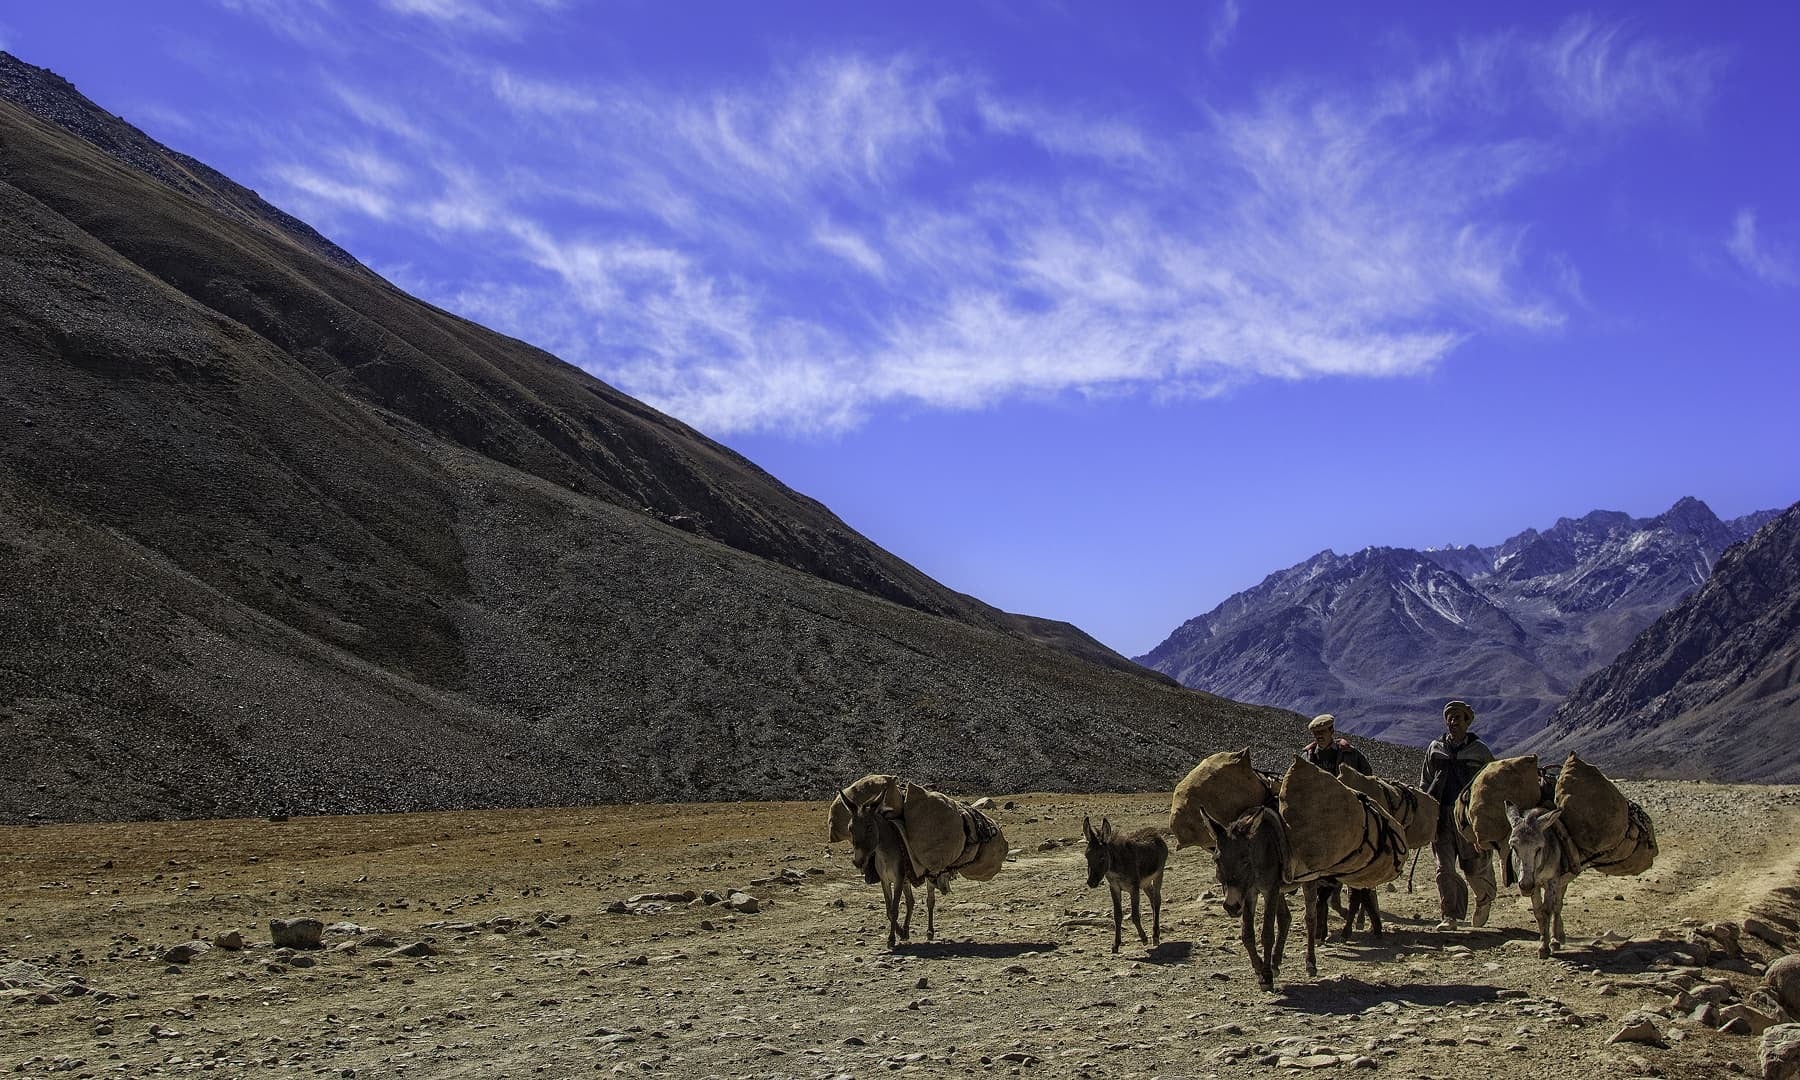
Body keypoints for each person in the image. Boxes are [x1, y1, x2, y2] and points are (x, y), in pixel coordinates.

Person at [1418, 699, 1496, 931]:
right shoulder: (1435, 748)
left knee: (1472, 867)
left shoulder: (1480, 751)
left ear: (1466, 722)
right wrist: (1424, 810)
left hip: (1468, 818)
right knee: (1444, 868)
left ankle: (1484, 897)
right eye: (1449, 718)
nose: (1453, 722)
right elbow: (1426, 781)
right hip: (1440, 817)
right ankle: (1450, 915)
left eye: (1457, 718)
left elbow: (1491, 783)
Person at [1299, 714, 1373, 776]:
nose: (1319, 735)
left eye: (1322, 731)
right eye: (1316, 733)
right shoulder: (1306, 757)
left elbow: (1367, 775)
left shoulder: (1350, 753)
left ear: (1331, 731)